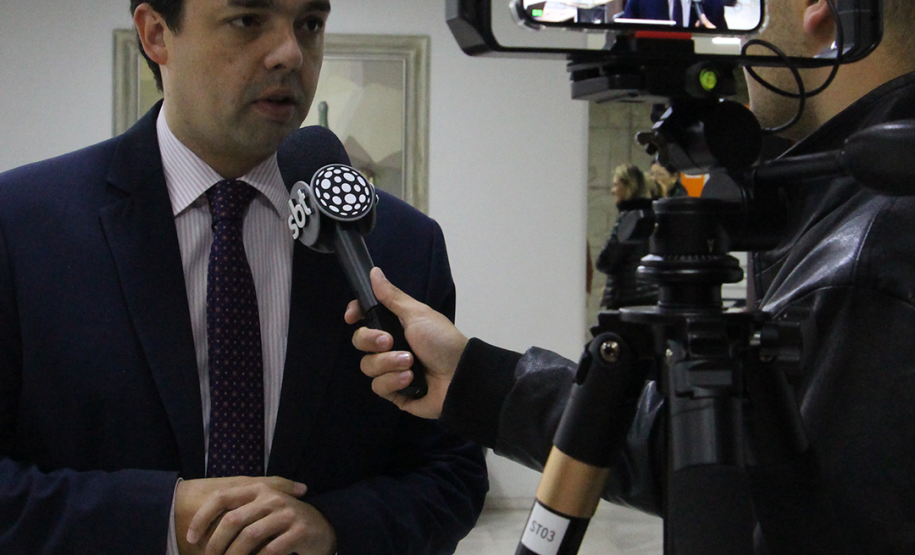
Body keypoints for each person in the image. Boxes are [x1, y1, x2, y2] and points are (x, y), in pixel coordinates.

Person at [349, 0, 915, 552]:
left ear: (819, 7)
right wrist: (473, 378)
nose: (748, 36)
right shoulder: (869, 206)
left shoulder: (867, 261)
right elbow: (718, 459)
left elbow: (804, 520)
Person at [0, 1, 487, 554]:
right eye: (248, 20)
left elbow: (452, 473)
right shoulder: (21, 228)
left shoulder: (399, 243)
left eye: (310, 24)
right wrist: (159, 518)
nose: (290, 53)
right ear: (157, 34)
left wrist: (333, 529)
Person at [595, 165, 658, 309]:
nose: (612, 190)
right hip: (652, 296)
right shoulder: (653, 215)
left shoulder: (628, 218)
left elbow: (606, 260)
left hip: (626, 298)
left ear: (628, 187)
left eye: (616, 185)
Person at [619, 0, 728, 29]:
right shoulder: (640, 2)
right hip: (651, 76)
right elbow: (625, 46)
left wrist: (712, 37)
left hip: (697, 79)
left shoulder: (712, 4)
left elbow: (728, 62)